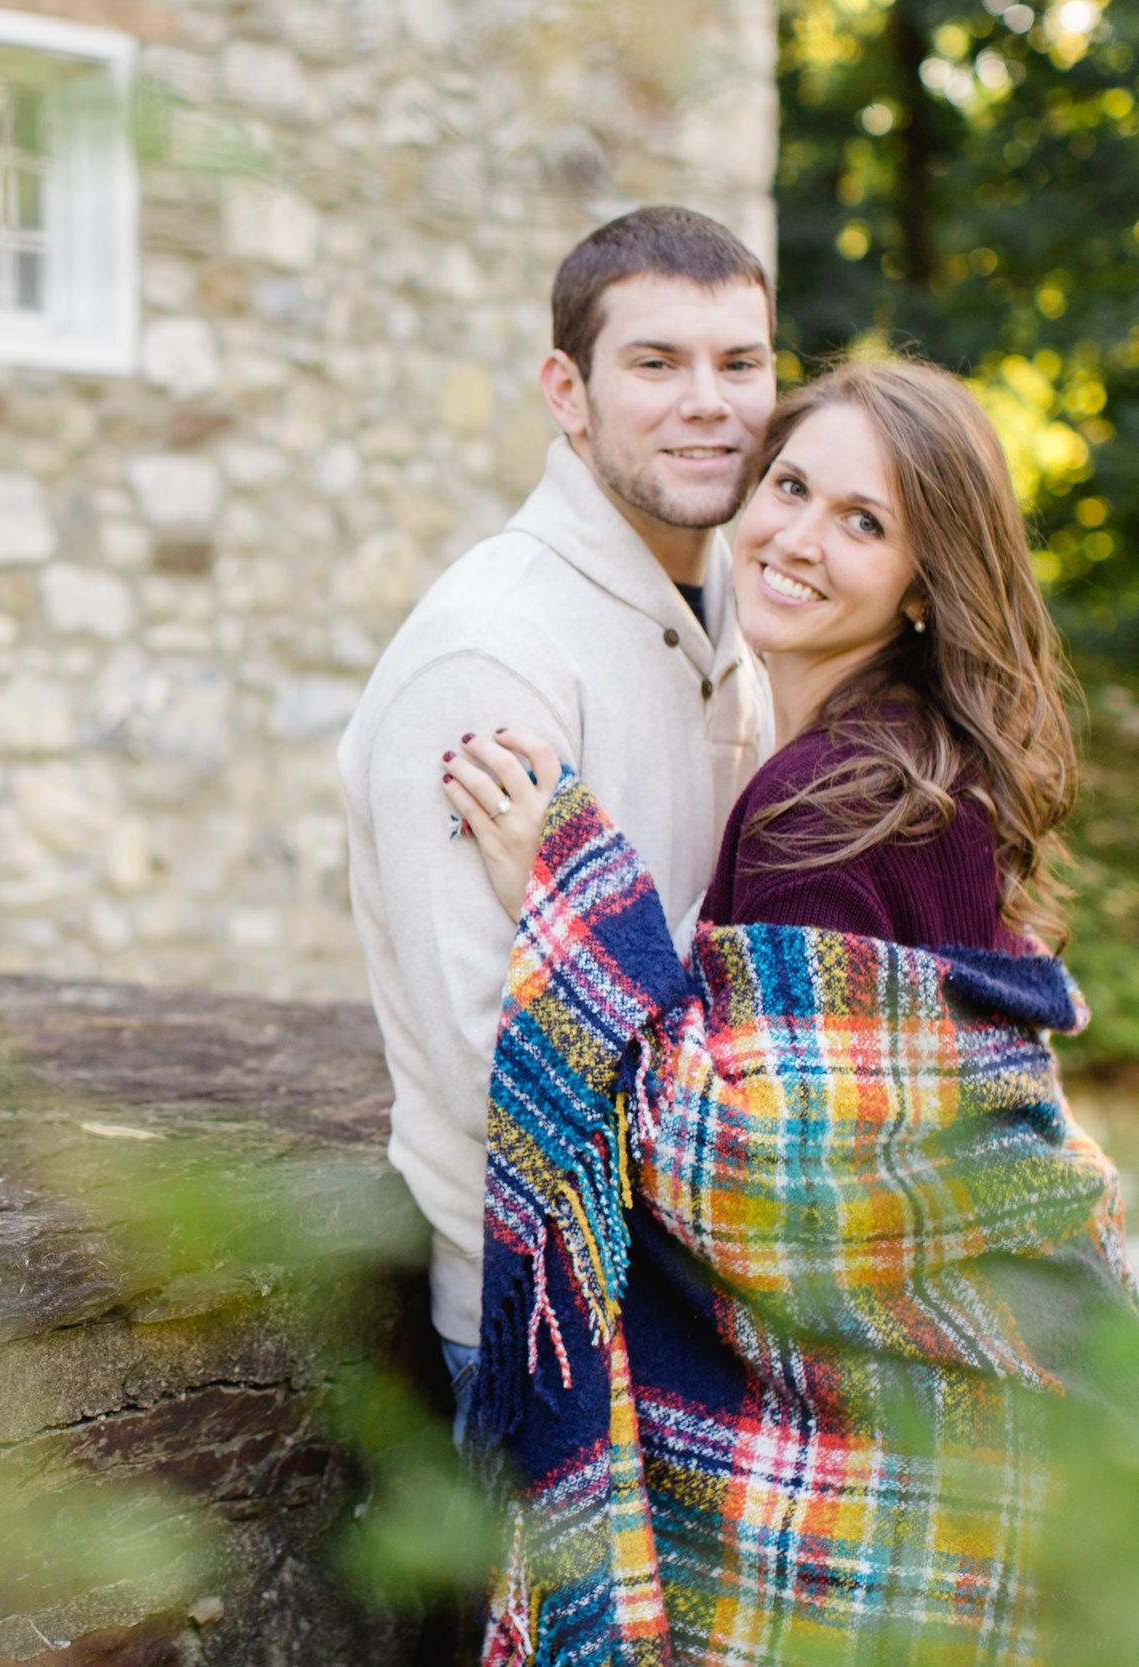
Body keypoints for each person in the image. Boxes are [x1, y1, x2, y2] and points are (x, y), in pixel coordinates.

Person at [439, 358, 1139, 1666]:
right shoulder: (922, 765)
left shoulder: (831, 808)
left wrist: (578, 897)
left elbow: (771, 1178)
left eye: (864, 521)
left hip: (877, 1467)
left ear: (926, 580)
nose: (798, 539)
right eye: (790, 487)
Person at [336, 206, 779, 1437]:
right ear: (566, 391)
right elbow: (496, 1071)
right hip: (549, 1320)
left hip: (703, 1297)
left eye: (739, 362)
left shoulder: (756, 598)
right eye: (656, 363)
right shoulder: (489, 654)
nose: (709, 402)